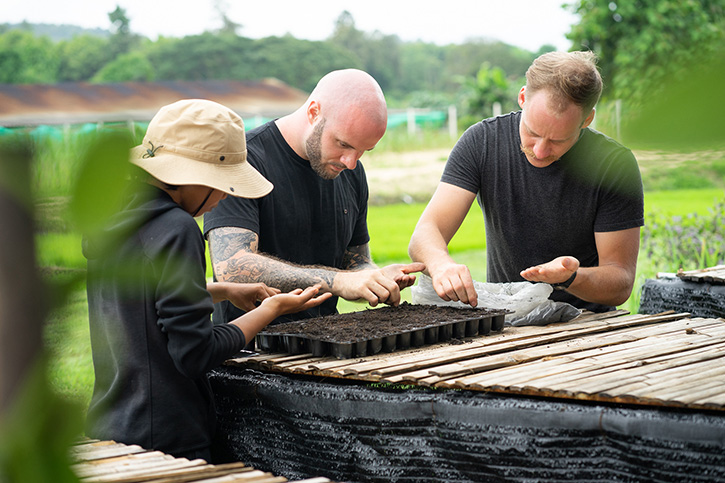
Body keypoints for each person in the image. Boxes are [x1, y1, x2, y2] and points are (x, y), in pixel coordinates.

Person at [82, 99, 332, 461]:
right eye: (221, 184)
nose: (222, 198)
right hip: (168, 438)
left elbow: (138, 299)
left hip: (115, 424)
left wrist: (223, 290)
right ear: (190, 176)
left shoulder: (116, 218)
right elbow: (195, 353)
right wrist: (271, 310)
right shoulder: (177, 228)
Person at [408, 51, 644, 313]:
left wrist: (569, 278)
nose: (540, 151)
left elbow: (620, 282)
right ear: (522, 97)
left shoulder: (614, 165)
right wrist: (441, 265)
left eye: (558, 140)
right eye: (532, 132)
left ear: (587, 120)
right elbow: (425, 233)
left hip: (587, 325)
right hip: (506, 322)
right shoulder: (482, 142)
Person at [204, 69, 424, 326]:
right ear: (313, 113)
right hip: (250, 348)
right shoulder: (244, 161)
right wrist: (338, 281)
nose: (351, 162)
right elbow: (232, 267)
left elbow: (355, 260)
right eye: (343, 144)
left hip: (326, 342)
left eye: (364, 150)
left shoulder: (351, 172)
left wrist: (373, 278)